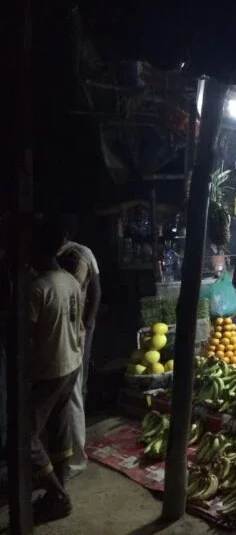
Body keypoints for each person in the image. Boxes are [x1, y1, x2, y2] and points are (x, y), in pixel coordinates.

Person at [27, 220, 84, 523]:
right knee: (59, 431)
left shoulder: (39, 288)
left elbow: (26, 335)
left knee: (25, 436)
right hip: (71, 365)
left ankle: (58, 494)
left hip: (51, 369)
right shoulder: (69, 281)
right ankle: (55, 494)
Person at [55, 214, 101, 479]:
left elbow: (95, 291)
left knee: (74, 391)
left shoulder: (79, 254)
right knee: (70, 392)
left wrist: (88, 323)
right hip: (64, 332)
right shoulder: (53, 257)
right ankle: (65, 455)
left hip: (76, 331)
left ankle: (74, 459)